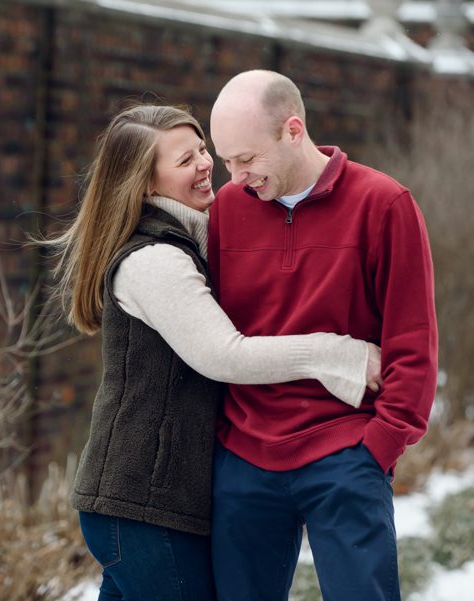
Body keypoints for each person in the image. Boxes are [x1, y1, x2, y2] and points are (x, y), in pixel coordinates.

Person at [44, 103, 383, 601]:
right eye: (185, 161)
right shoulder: (155, 259)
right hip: (144, 506)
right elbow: (223, 354)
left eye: (201, 149)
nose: (206, 164)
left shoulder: (190, 241)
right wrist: (332, 355)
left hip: (138, 505)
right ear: (145, 185)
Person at [207, 70, 438, 601]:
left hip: (345, 452)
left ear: (292, 130)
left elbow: (413, 339)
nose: (237, 176)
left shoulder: (383, 204)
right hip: (244, 457)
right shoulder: (227, 209)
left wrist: (380, 445)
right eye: (227, 161)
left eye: (248, 158)